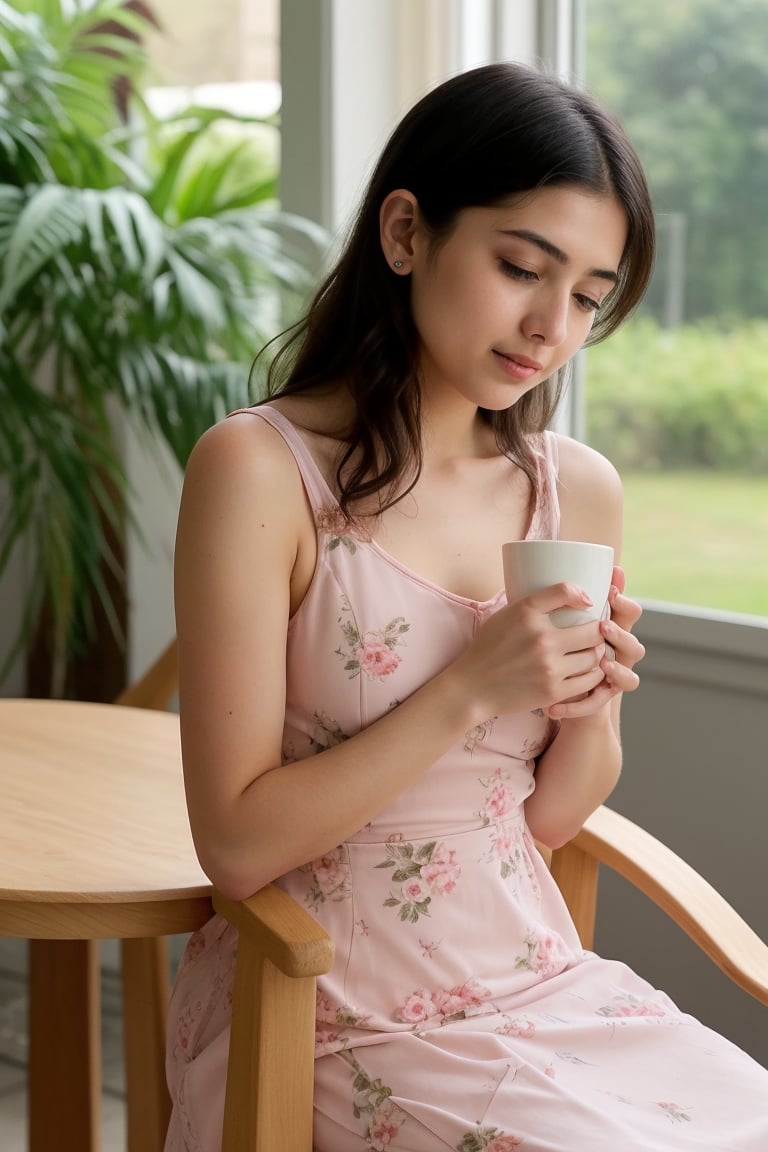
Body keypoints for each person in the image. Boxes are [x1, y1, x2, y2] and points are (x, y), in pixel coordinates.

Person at [165, 61, 768, 1152]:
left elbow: (536, 819)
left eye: (588, 297)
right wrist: (470, 689)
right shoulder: (259, 472)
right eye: (520, 267)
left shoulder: (573, 489)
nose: (550, 325)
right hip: (331, 1007)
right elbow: (239, 848)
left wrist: (589, 702)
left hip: (537, 982)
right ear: (406, 232)